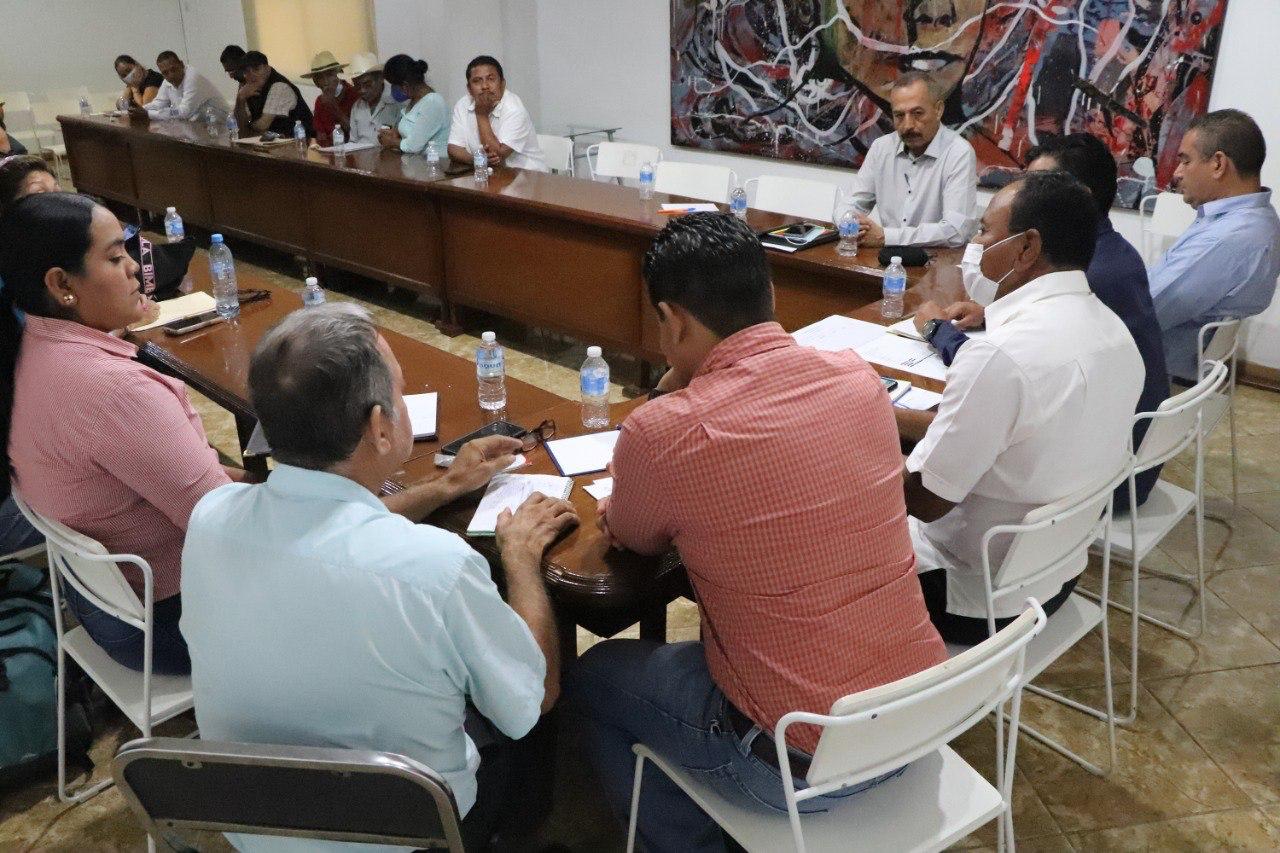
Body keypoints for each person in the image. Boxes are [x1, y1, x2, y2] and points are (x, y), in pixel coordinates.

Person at [570, 212, 947, 853]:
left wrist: (671, 396)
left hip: (796, 767)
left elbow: (632, 535)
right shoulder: (857, 379)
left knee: (597, 674)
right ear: (767, 293)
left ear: (673, 320)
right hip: (918, 718)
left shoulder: (667, 430)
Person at [181, 303, 577, 852]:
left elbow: (322, 527)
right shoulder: (436, 568)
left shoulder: (211, 517)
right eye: (401, 392)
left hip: (257, 825)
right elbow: (534, 699)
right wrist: (522, 561)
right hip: (415, 834)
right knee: (518, 700)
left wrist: (445, 487)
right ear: (379, 427)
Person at [0, 192, 248, 674]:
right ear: (62, 284)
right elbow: (226, 528)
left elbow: (187, 481)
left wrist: (247, 481)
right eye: (115, 258)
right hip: (170, 626)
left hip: (106, 609)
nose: (135, 267)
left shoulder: (36, 343)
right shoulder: (112, 390)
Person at [897, 171, 1144, 645]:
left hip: (968, 598)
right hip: (1056, 576)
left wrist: (854, 438)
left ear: (1027, 247)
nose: (976, 245)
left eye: (984, 232)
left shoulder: (999, 356)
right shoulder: (1115, 333)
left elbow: (922, 501)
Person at [921, 133, 1170, 509]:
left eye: (1040, 183)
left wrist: (937, 330)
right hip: (1088, 490)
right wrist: (989, 313)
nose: (1027, 192)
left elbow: (1007, 368)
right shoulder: (1104, 267)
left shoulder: (1096, 275)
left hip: (1088, 488)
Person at [1148, 109, 1280, 382]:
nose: (1177, 173)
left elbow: (1145, 312)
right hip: (1179, 361)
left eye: (1186, 161)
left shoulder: (1227, 239)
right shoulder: (1258, 218)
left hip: (1155, 369)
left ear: (1218, 164)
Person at [848, 71, 977, 248]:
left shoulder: (958, 153)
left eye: (917, 113)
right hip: (887, 258)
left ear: (938, 110)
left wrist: (886, 237)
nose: (908, 125)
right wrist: (851, 223)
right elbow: (851, 204)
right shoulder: (881, 148)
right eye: (899, 115)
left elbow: (956, 231)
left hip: (935, 260)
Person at [446, 55, 547, 172]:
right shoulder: (462, 104)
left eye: (491, 79)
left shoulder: (515, 109)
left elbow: (497, 158)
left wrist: (481, 114)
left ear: (502, 84)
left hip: (527, 176)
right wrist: (476, 160)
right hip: (489, 174)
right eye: (477, 81)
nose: (485, 86)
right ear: (469, 89)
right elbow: (453, 148)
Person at [376, 54, 448, 155]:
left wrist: (391, 142)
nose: (392, 90)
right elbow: (411, 132)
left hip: (435, 162)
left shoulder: (433, 102)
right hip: (414, 161)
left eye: (393, 85)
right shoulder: (413, 102)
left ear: (405, 86)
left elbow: (413, 146)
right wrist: (395, 133)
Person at [233, 50, 313, 139]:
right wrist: (240, 99)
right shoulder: (249, 89)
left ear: (267, 68)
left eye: (256, 69)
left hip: (303, 142)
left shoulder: (279, 86)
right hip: (275, 143)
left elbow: (262, 126)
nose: (252, 75)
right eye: (247, 72)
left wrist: (246, 127)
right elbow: (239, 126)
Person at [143, 51, 229, 122]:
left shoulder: (192, 77)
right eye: (165, 73)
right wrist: (141, 109)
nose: (171, 75)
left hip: (222, 124)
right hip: (200, 124)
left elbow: (184, 112)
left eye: (173, 69)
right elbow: (158, 103)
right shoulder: (167, 81)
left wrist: (148, 114)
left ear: (181, 64)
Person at [301, 50, 360, 147]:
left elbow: (356, 131)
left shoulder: (353, 94)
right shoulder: (320, 101)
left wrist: (333, 106)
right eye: (320, 77)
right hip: (330, 152)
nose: (325, 81)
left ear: (338, 74)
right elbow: (320, 137)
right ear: (316, 82)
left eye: (329, 75)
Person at [347, 52, 400, 145]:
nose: (362, 90)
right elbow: (353, 141)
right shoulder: (356, 107)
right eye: (357, 86)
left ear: (381, 78)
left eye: (367, 84)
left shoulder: (397, 102)